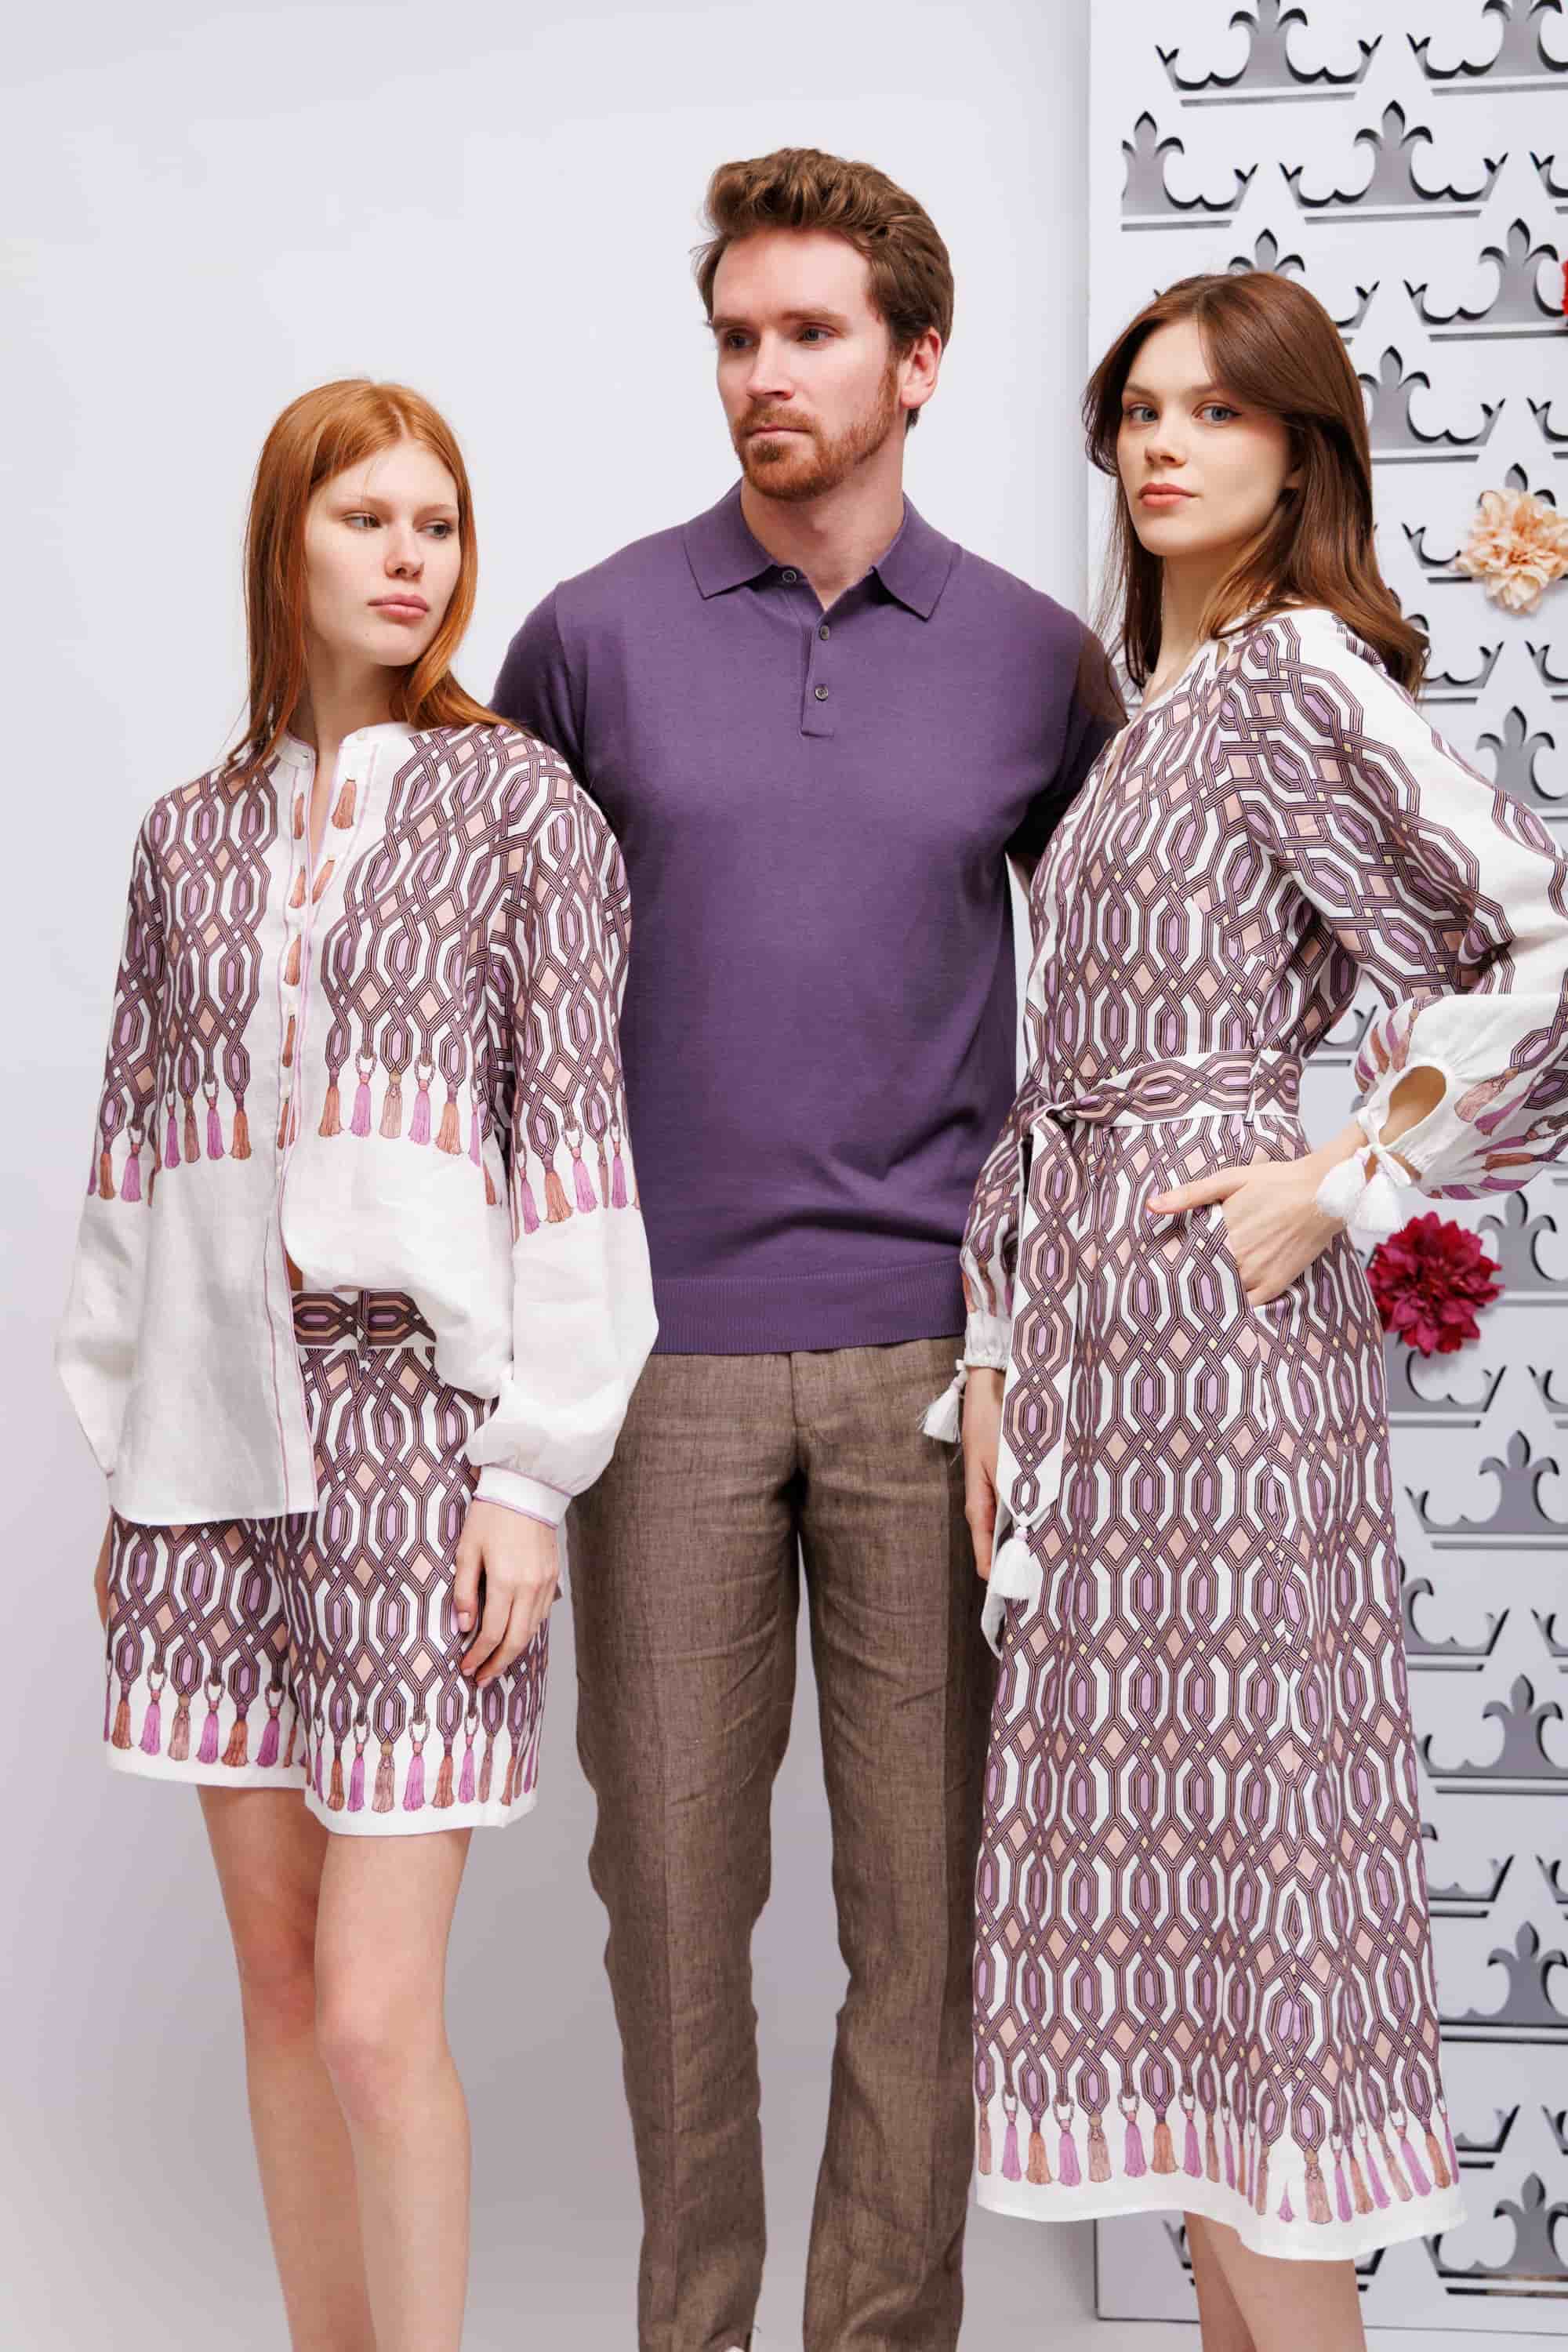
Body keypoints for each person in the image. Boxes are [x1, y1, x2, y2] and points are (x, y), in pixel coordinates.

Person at [491, 148, 1117, 2351]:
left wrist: (1058, 1322)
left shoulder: (1038, 663)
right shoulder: (587, 640)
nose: (762, 373)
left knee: (925, 1921)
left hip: (933, 1375)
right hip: (652, 1364)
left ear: (916, 362)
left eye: (811, 334)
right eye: (736, 336)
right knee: (669, 1904)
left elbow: (1126, 1011)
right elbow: (492, 987)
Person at [946, 267, 1568, 2352]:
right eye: (1141, 407)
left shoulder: (1297, 671)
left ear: (1300, 455)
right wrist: (1001, 1353)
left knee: (1255, 1897)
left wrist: (1352, 1172)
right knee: (1182, 1944)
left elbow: (1532, 941)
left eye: (1215, 410)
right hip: (1100, 1354)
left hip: (1220, 1348)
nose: (1162, 442)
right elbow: (1059, 1078)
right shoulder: (1158, 712)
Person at [56, 378, 655, 2352]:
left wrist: (530, 1475)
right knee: (280, 1987)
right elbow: (135, 1164)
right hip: (207, 1442)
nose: (412, 559)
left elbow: (573, 1154)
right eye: (368, 519)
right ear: (284, 542)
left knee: (378, 2015)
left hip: (418, 1438)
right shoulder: (187, 839)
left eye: (438, 524)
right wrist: (131, 1463)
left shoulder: (520, 811)